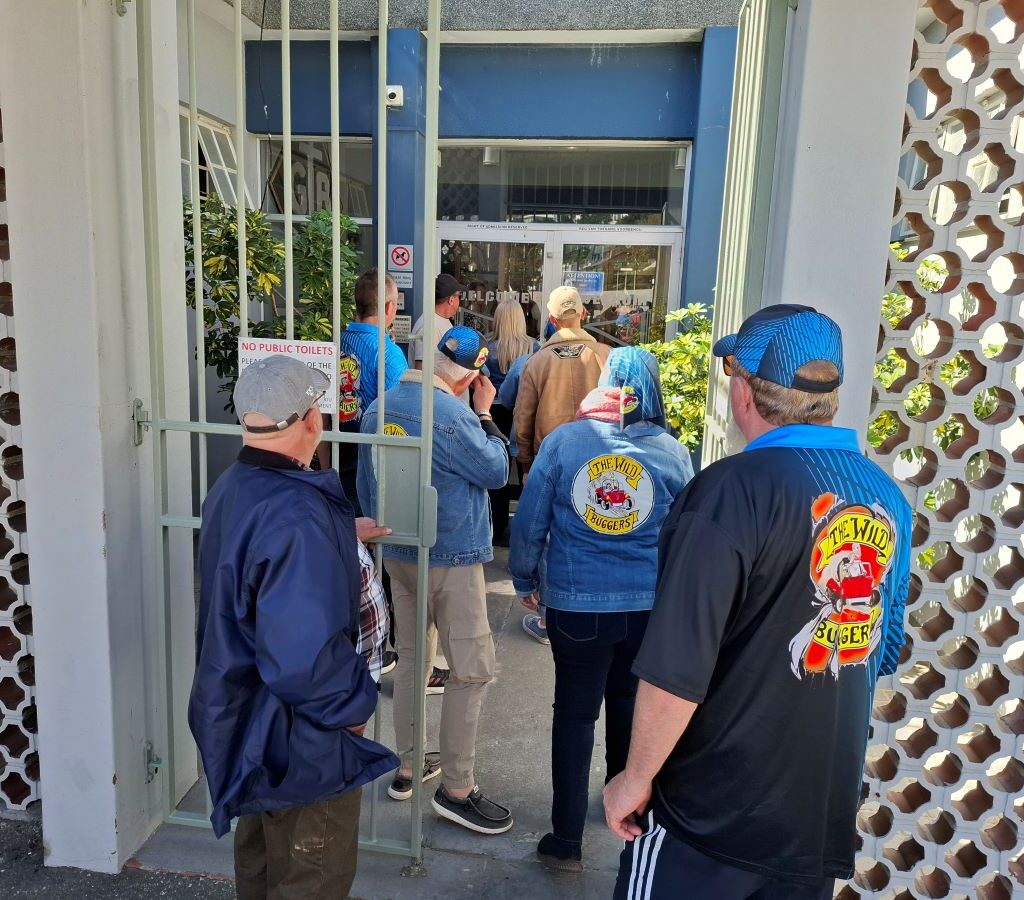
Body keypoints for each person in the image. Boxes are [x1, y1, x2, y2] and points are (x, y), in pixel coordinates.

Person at [603, 305, 912, 899]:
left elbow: (675, 670)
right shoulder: (884, 497)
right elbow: (882, 649)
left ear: (743, 390)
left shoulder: (728, 492)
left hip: (707, 816)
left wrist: (634, 778)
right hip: (813, 819)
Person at [188, 355, 399, 899]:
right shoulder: (296, 513)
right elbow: (301, 657)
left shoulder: (235, 485)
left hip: (255, 718)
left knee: (261, 857)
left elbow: (259, 570)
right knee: (311, 875)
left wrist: (334, 530)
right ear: (312, 420)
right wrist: (350, 711)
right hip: (305, 734)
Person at [509, 346, 692, 873]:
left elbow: (531, 519)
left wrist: (525, 576)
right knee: (630, 708)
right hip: (647, 610)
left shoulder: (565, 443)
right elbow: (686, 533)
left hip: (577, 605)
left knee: (573, 715)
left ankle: (566, 838)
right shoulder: (672, 452)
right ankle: (626, 815)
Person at [358, 326, 515, 835]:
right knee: (471, 669)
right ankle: (458, 788)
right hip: (451, 555)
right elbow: (496, 472)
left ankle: (408, 765)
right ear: (469, 376)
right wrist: (485, 413)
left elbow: (367, 484)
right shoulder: (453, 414)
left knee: (411, 660)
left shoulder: (378, 407)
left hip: (399, 549)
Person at [513, 284, 610, 642]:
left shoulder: (537, 361)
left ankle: (546, 619)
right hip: (599, 461)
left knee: (547, 535)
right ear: (583, 313)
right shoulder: (604, 355)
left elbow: (523, 420)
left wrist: (525, 463)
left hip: (549, 460)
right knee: (596, 529)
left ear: (552, 320)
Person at [335, 268, 408, 512]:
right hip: (372, 469)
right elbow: (399, 417)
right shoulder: (389, 355)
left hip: (335, 455)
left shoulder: (335, 343)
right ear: (389, 307)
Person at [485, 297, 539, 544]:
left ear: (498, 319)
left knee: (498, 471)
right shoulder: (534, 347)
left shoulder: (487, 346)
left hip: (493, 412)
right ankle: (526, 531)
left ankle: (496, 527)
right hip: (524, 412)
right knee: (527, 470)